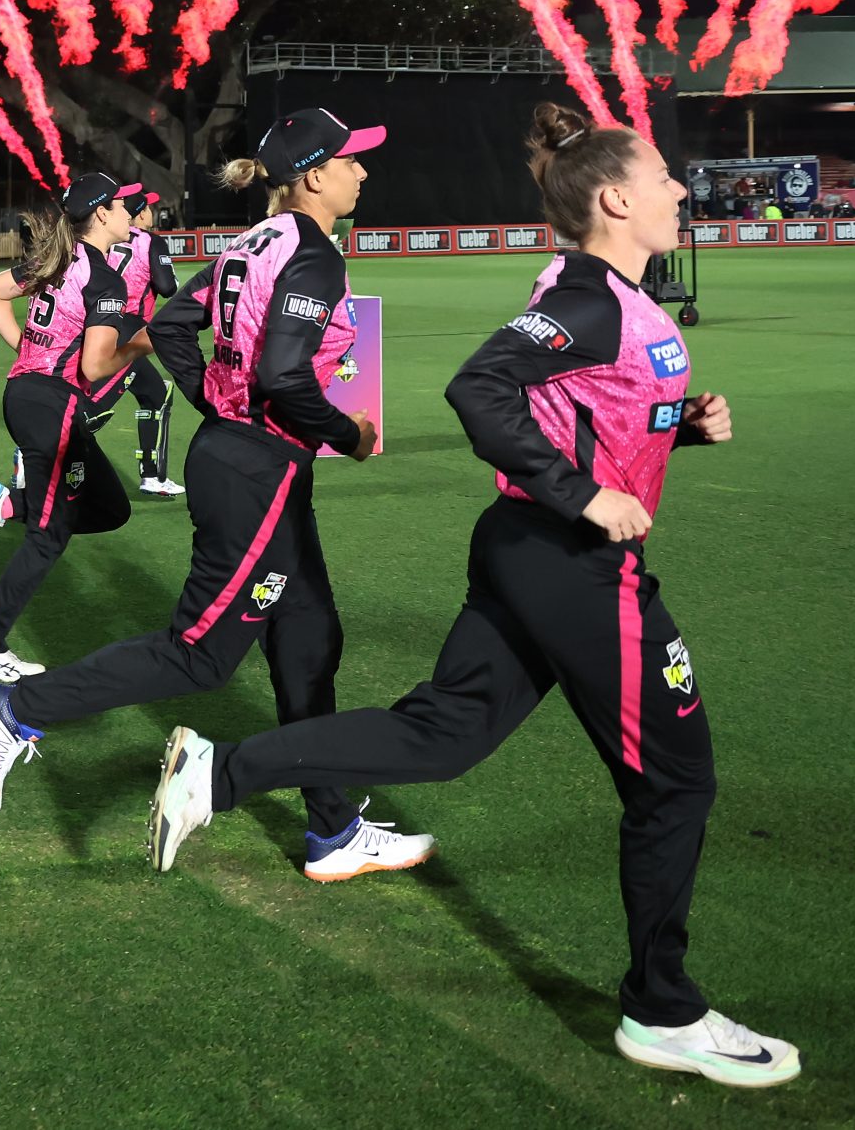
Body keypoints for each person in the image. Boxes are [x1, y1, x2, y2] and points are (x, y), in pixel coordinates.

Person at [148, 104, 797, 1090]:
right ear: (616, 199)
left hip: (529, 552)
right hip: (573, 566)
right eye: (662, 176)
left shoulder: (599, 293)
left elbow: (583, 407)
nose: (678, 189)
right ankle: (662, 1012)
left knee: (443, 735)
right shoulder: (584, 299)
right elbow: (478, 389)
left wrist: (679, 425)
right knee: (676, 783)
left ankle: (217, 773)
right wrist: (582, 494)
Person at [0, 109, 434, 885]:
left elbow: (175, 325)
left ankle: (331, 829)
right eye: (352, 160)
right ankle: (16, 710)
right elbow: (284, 376)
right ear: (314, 175)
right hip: (257, 470)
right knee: (202, 655)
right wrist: (345, 434)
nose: (363, 171)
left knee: (308, 638)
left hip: (254, 461)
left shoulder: (251, 241)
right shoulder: (311, 254)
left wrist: (218, 402)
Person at [0, 174, 152, 685]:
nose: (132, 213)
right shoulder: (105, 277)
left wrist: (28, 352)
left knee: (110, 507)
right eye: (124, 206)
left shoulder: (56, 259)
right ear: (102, 215)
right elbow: (96, 366)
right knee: (49, 535)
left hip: (26, 398)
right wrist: (150, 343)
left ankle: (7, 504)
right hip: (52, 406)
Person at [115, 189, 184, 496]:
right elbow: (168, 287)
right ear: (141, 213)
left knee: (153, 393)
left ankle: (152, 476)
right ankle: (152, 477)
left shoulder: (103, 237)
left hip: (95, 326)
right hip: (127, 328)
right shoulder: (149, 242)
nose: (152, 213)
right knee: (153, 395)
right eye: (149, 208)